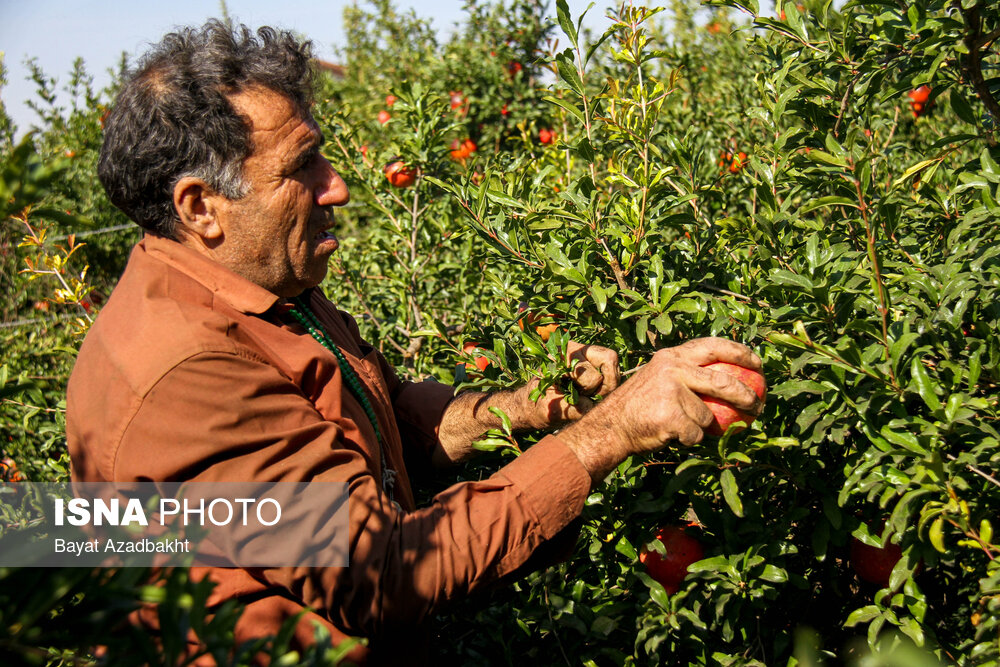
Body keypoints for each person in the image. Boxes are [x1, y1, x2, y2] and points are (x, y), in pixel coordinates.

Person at [66, 21, 764, 665]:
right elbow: (382, 569)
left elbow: (387, 413)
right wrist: (606, 434)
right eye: (301, 166)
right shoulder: (190, 368)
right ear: (199, 208)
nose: (335, 185)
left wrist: (523, 408)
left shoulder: (264, 282)